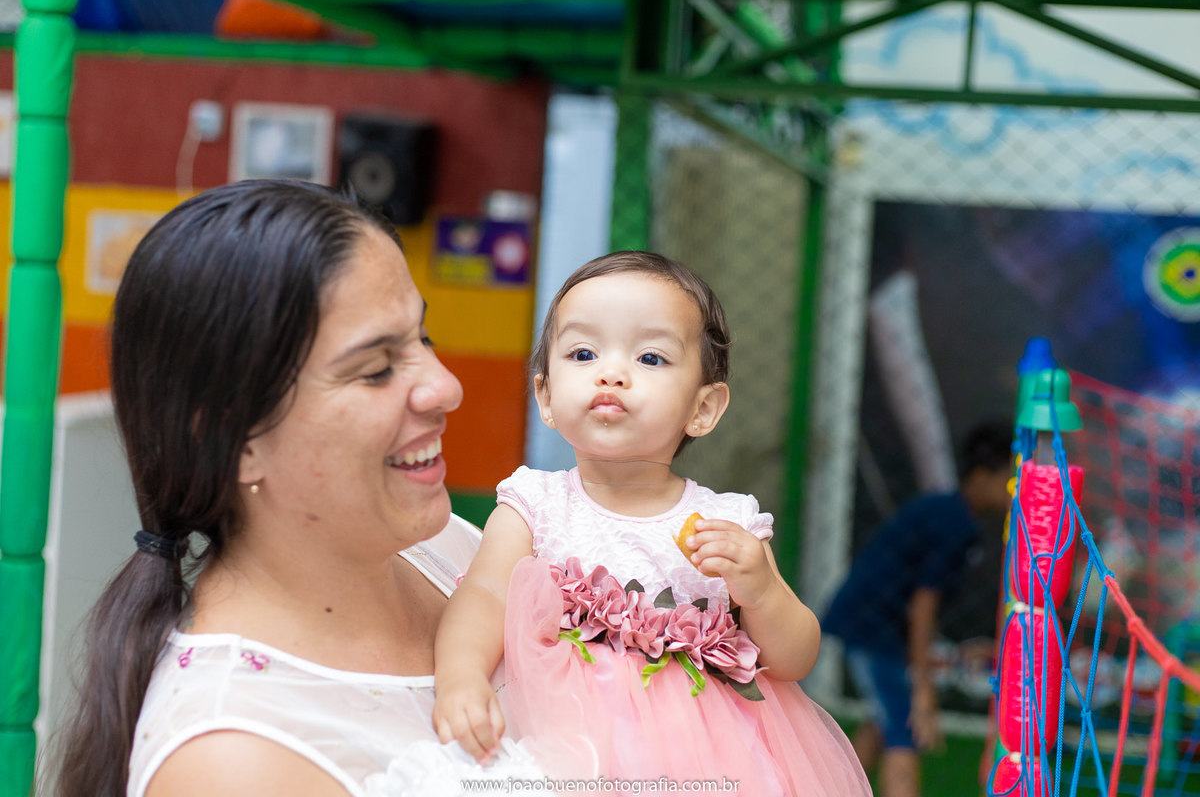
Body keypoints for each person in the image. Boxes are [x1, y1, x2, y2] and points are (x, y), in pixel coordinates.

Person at [50, 180, 542, 797]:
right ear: (236, 440)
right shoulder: (231, 764)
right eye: (375, 369)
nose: (446, 387)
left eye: (424, 338)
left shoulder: (449, 551)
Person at [432, 251, 872, 795]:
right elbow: (482, 596)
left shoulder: (726, 523)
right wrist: (460, 677)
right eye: (584, 353)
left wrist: (761, 592)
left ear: (703, 409)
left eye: (650, 358)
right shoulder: (534, 505)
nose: (611, 373)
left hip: (705, 764)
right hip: (563, 745)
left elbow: (794, 661)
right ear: (545, 395)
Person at [822, 421, 1014, 797]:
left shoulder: (949, 513)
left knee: (885, 718)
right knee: (904, 727)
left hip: (875, 625)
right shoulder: (955, 524)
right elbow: (923, 605)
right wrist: (923, 688)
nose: (1017, 492)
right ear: (982, 475)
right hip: (871, 628)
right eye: (1011, 480)